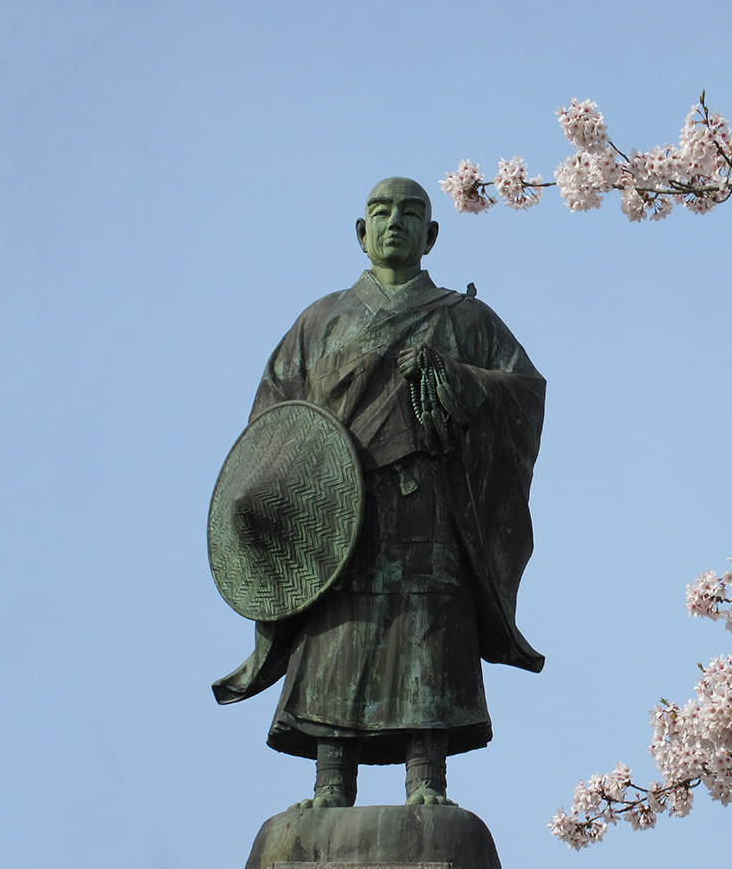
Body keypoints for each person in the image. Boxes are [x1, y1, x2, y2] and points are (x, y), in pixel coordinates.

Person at [212, 177, 545, 808]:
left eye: (412, 214)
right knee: (339, 633)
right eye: (381, 213)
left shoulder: (467, 319)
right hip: (336, 517)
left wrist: (457, 379)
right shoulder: (320, 322)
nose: (395, 223)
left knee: (427, 625)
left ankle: (428, 779)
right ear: (361, 232)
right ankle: (330, 780)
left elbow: (524, 392)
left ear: (432, 234)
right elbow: (274, 423)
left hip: (426, 505)